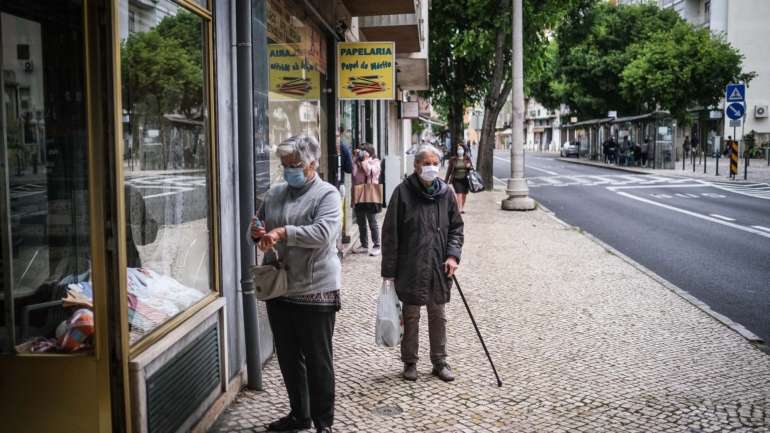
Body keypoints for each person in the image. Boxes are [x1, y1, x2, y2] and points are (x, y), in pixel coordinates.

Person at [250, 135, 341, 433]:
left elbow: (323, 233)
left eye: (295, 164)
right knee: (288, 358)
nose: (289, 169)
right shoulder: (276, 193)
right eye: (285, 164)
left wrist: (282, 233)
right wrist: (258, 231)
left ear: (313, 163)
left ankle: (323, 423)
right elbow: (259, 223)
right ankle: (299, 415)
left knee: (318, 360)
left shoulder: (327, 195)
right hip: (281, 287)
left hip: (316, 288)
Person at [381, 145, 464, 383]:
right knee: (411, 315)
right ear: (416, 166)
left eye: (434, 163)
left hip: (439, 266)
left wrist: (453, 255)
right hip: (411, 266)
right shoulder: (402, 193)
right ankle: (410, 362)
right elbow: (390, 234)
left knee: (438, 315)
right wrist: (389, 272)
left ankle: (439, 361)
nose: (431, 167)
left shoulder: (446, 193)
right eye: (426, 163)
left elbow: (456, 229)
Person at [351, 143, 382, 256]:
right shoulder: (357, 162)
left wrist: (365, 160)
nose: (361, 153)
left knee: (372, 221)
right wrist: (355, 160)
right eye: (360, 151)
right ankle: (364, 245)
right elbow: (353, 174)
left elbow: (369, 172)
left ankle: (377, 245)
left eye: (364, 151)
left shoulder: (376, 162)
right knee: (360, 221)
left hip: (370, 191)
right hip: (359, 191)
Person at [445, 143, 474, 213]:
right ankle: (459, 209)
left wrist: (469, 166)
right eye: (458, 149)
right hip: (456, 179)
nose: (459, 150)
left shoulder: (467, 158)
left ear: (464, 150)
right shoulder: (453, 159)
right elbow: (449, 170)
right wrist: (446, 180)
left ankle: (462, 207)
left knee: (464, 194)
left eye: (461, 149)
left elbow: (472, 168)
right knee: (459, 193)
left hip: (466, 179)